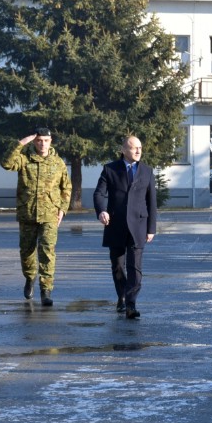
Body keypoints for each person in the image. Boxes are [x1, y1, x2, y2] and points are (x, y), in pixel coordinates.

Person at [2, 128, 72, 306]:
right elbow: (6, 163)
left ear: (51, 141)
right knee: (27, 251)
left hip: (50, 214)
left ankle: (46, 290)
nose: (42, 144)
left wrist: (62, 209)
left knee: (47, 250)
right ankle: (29, 277)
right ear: (34, 141)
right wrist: (21, 143)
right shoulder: (24, 159)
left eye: (46, 140)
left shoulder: (58, 163)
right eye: (39, 140)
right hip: (28, 212)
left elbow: (66, 188)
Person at [93, 136, 158, 319]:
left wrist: (151, 228)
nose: (138, 151)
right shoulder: (110, 169)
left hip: (139, 225)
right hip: (116, 224)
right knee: (118, 266)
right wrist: (101, 211)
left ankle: (131, 303)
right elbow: (99, 193)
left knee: (135, 267)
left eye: (140, 147)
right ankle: (121, 296)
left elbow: (151, 201)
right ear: (123, 150)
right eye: (134, 148)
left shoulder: (147, 171)